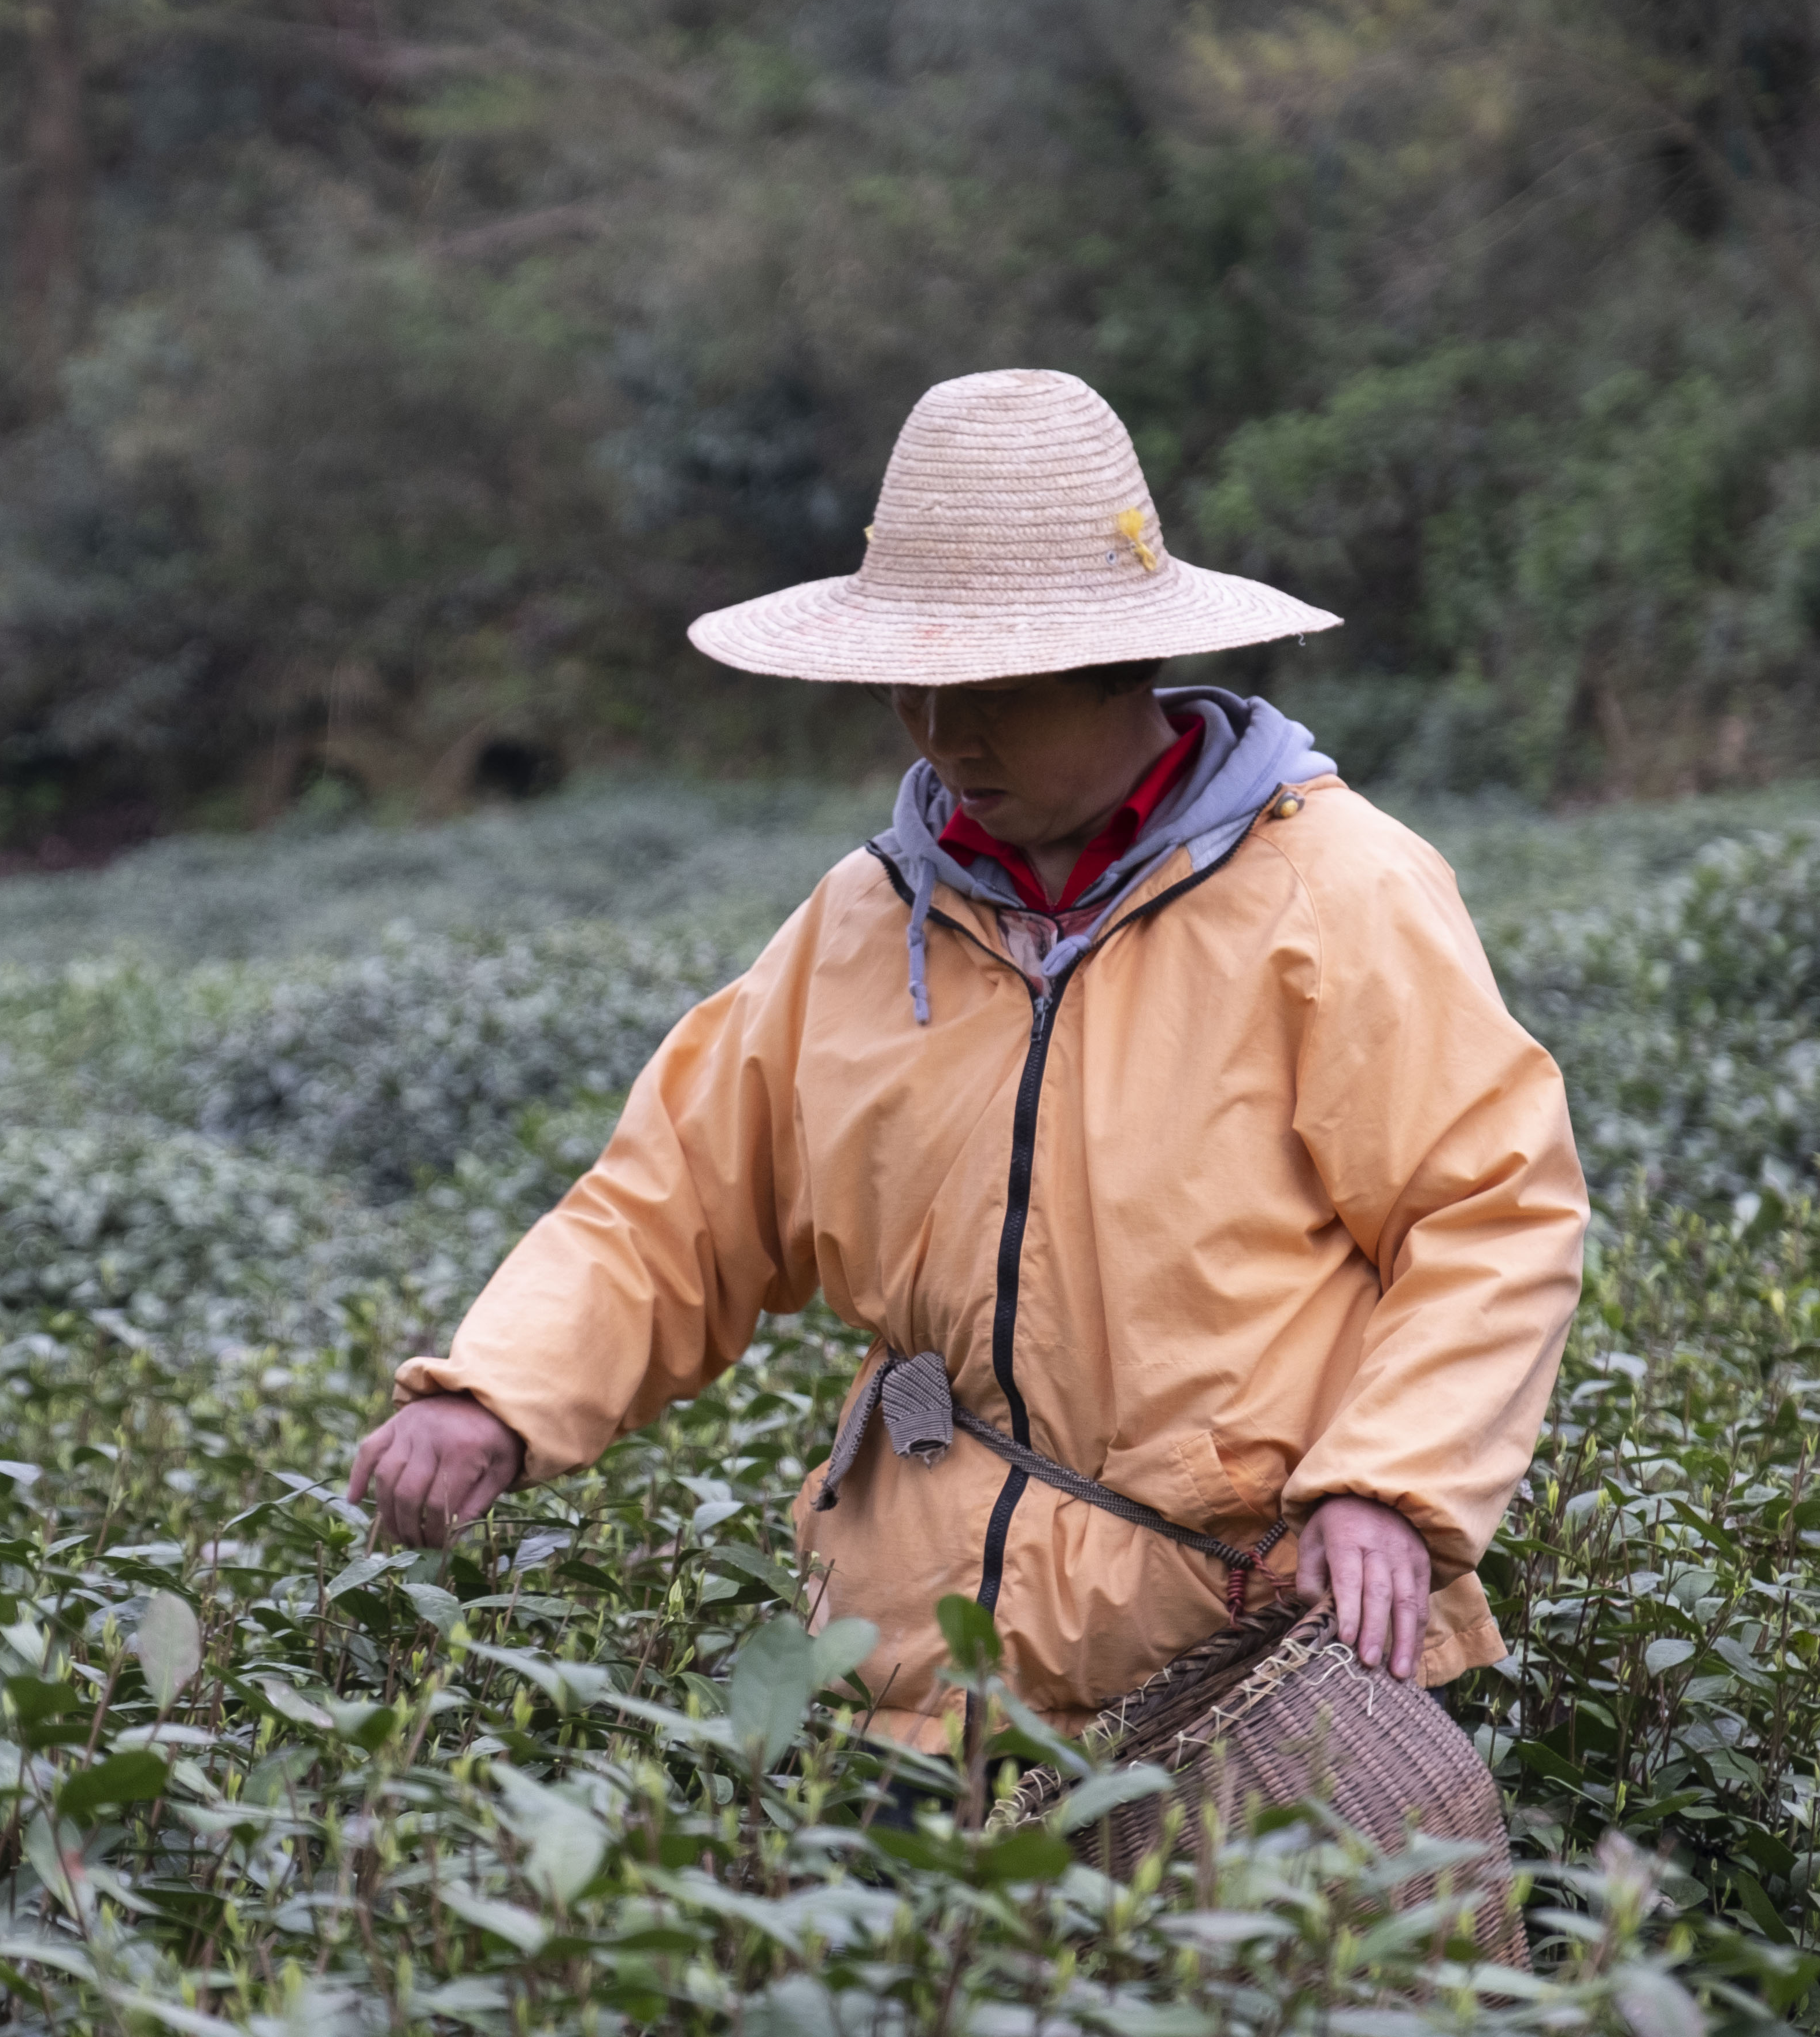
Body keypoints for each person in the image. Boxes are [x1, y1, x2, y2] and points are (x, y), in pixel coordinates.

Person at [343, 369, 1588, 1747]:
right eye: (913, 686)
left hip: (1257, 1652)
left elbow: (1487, 1213)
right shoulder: (860, 924)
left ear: (1121, 665)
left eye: (992, 688)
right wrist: (497, 1396)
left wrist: (1388, 1485)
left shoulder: (1335, 891)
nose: (944, 732)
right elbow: (669, 1211)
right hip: (911, 1682)